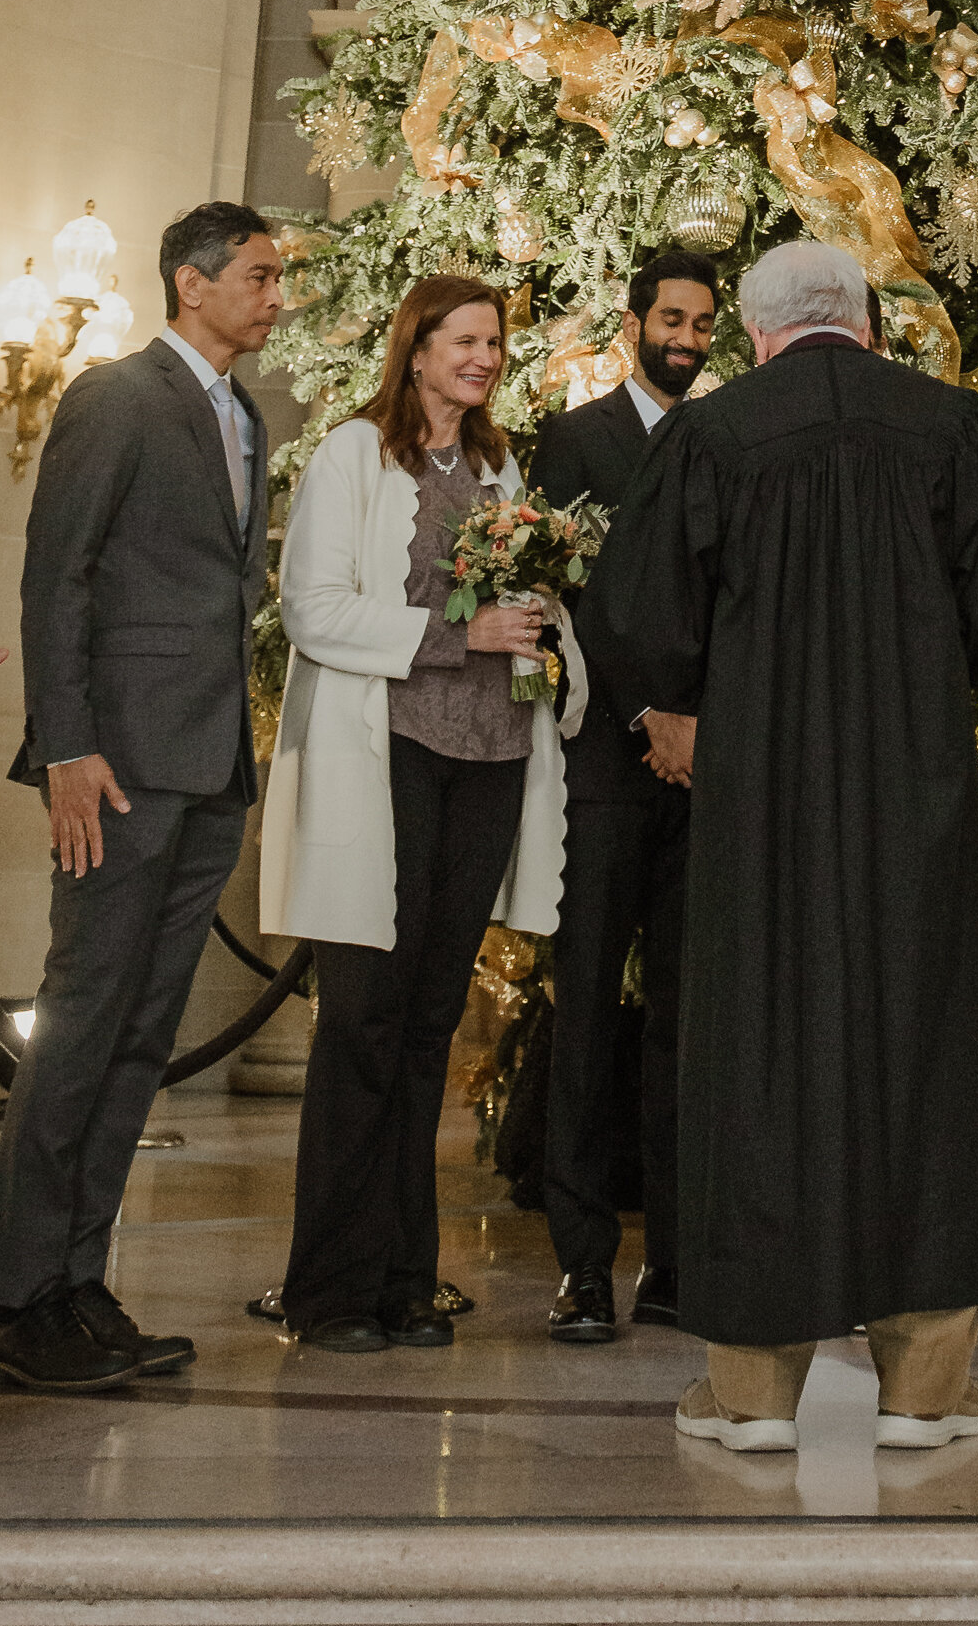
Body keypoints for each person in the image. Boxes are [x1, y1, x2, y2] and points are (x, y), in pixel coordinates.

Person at [583, 239, 978, 1457]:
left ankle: (750, 1394)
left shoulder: (709, 434)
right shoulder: (953, 427)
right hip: (915, 786)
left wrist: (718, 686)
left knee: (758, 1047)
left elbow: (637, 617)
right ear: (869, 323)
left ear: (753, 333)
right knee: (918, 1045)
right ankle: (922, 1390)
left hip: (759, 795)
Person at [0, 201, 281, 1394]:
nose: (274, 296)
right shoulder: (115, 396)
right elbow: (59, 577)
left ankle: (77, 1280)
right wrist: (66, 747)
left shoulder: (243, 412)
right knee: (85, 1021)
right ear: (190, 282)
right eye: (256, 275)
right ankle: (17, 1300)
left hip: (206, 764)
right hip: (115, 767)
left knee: (144, 1034)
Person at [263, 274, 577, 1351]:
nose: (485, 357)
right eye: (465, 340)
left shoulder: (499, 467)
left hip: (487, 761)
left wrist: (543, 625)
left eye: (495, 341)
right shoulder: (357, 453)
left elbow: (517, 602)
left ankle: (406, 1278)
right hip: (385, 759)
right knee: (365, 1022)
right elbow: (311, 608)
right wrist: (460, 635)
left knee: (428, 1028)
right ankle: (331, 1289)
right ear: (417, 347)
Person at [531, 247, 719, 1345]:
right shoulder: (574, 439)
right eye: (672, 318)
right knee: (588, 1013)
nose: (687, 338)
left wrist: (702, 725)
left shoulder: (725, 438)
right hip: (603, 767)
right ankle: (583, 1263)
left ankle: (679, 1259)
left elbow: (737, 595)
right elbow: (569, 598)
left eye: (701, 322)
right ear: (634, 319)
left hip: (703, 777)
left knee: (686, 1026)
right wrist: (650, 717)